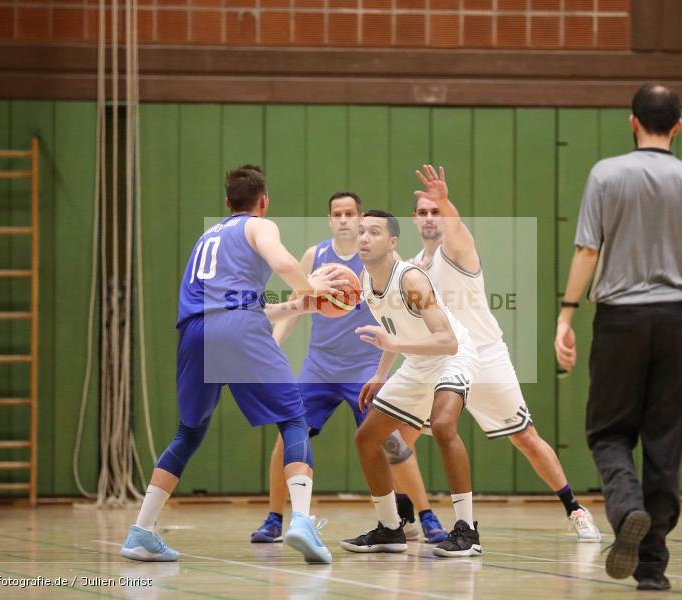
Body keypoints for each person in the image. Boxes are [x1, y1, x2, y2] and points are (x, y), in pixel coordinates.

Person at [120, 165, 346, 564]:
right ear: (264, 201)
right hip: (236, 327)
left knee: (187, 433)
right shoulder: (260, 226)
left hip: (195, 332)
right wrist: (311, 287)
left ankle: (141, 531)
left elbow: (239, 307)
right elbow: (282, 265)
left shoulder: (208, 236)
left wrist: (297, 306)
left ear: (228, 202)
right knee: (294, 421)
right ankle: (301, 521)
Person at [555, 83, 682, 591]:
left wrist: (566, 314)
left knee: (607, 432)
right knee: (663, 440)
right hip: (677, 321)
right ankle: (652, 567)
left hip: (619, 320)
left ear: (632, 121)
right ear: (678, 125)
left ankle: (627, 508)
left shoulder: (606, 174)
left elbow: (588, 250)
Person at [400, 165, 601, 543]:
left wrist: (444, 201)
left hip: (485, 355)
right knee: (398, 436)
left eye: (435, 211)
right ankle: (406, 517)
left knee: (525, 438)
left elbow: (455, 225)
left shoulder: (457, 247)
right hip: (442, 361)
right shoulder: (412, 268)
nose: (430, 218)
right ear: (414, 220)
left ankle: (575, 508)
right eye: (423, 212)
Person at [250, 192, 447, 545]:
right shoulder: (314, 256)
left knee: (392, 442)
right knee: (287, 437)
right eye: (336, 214)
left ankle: (425, 515)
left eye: (350, 214)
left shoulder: (379, 259)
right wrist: (274, 344)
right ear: (329, 220)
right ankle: (274, 518)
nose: (343, 219)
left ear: (360, 221)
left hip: (363, 367)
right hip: (319, 367)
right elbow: (296, 306)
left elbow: (400, 315)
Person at [340, 210, 481, 558]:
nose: (363, 238)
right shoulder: (366, 281)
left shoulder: (411, 280)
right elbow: (393, 327)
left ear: (391, 242)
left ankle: (468, 530)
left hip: (452, 356)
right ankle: (390, 529)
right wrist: (381, 372)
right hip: (417, 362)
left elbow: (446, 340)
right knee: (367, 438)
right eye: (360, 232)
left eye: (373, 232)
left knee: (445, 424)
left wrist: (393, 348)